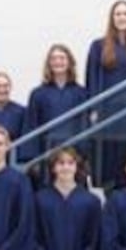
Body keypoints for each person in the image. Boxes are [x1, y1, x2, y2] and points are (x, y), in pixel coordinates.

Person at [86, 0, 126, 190]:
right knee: (107, 154)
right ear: (112, 18)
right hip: (107, 109)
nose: (122, 18)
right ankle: (108, 190)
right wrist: (94, 108)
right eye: (118, 14)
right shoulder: (99, 46)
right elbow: (92, 78)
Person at [22, 44, 88, 179]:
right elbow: (31, 125)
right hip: (46, 150)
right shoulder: (38, 94)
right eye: (54, 59)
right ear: (49, 64)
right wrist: (32, 158)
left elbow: (84, 124)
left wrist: (84, 154)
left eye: (62, 58)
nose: (58, 62)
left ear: (69, 62)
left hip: (74, 151)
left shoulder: (81, 93)